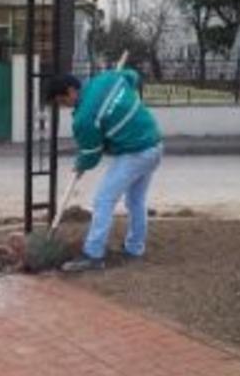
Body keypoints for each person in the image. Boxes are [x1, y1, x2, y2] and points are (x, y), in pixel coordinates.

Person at [45, 69, 162, 271]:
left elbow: (92, 153)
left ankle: (93, 255)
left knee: (103, 200)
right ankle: (134, 249)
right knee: (135, 201)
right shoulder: (106, 78)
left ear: (71, 91)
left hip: (135, 152)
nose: (63, 106)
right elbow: (133, 77)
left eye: (61, 101)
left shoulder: (84, 118)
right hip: (154, 143)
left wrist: (81, 164)